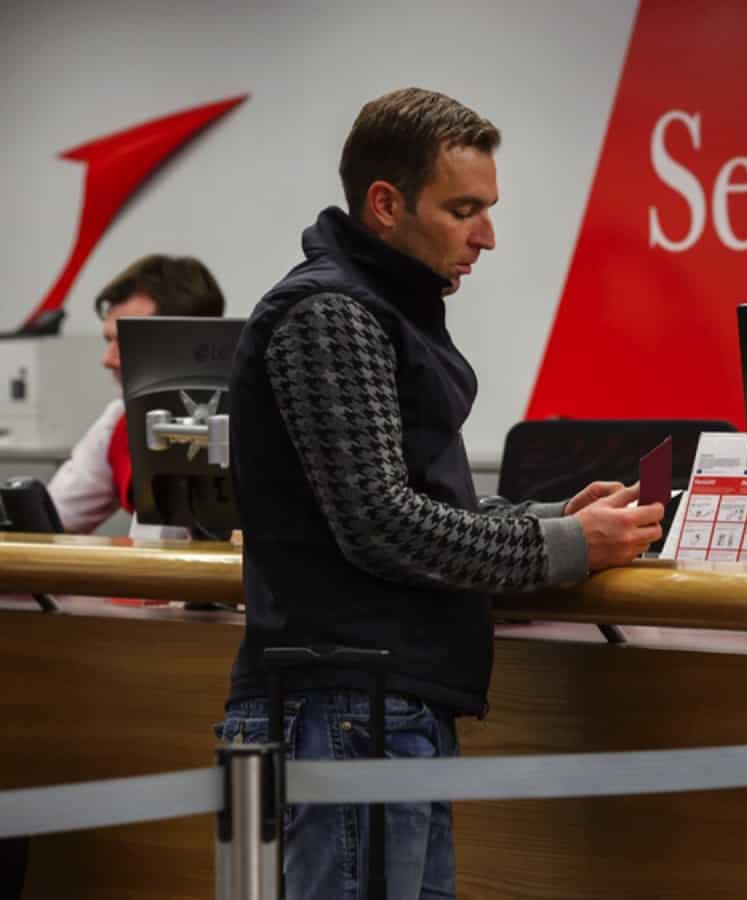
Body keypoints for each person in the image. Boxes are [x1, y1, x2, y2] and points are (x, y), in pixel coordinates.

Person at [217, 88, 664, 899]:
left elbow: (404, 501)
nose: (486, 236)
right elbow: (382, 525)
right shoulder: (332, 314)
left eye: (486, 209)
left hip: (371, 711)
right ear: (385, 205)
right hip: (342, 710)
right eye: (463, 210)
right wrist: (563, 548)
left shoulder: (380, 310)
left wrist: (546, 521)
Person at [46, 254, 225, 536]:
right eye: (108, 340)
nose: (108, 359)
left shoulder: (261, 421)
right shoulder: (119, 420)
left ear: (186, 340)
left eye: (126, 340)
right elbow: (54, 519)